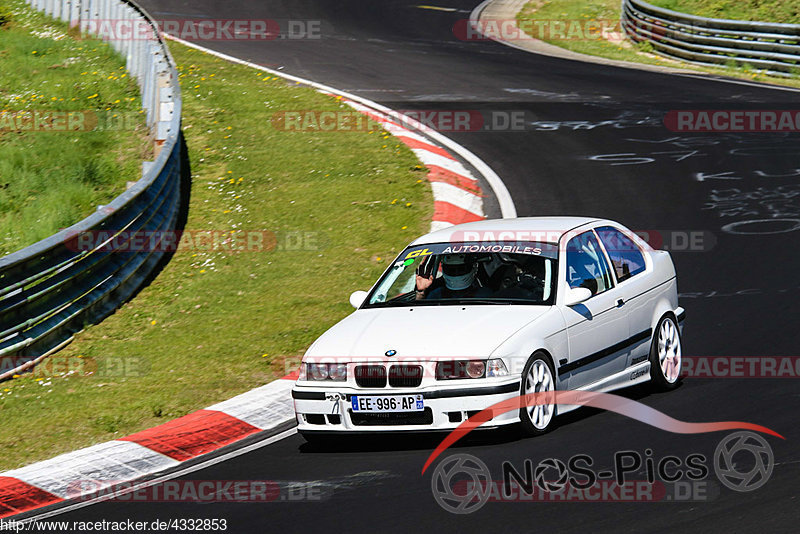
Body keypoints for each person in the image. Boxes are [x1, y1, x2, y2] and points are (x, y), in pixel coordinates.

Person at [415, 254, 489, 300]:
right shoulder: (436, 295)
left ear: (473, 268)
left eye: (461, 269)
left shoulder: (485, 295)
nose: (456, 274)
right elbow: (419, 313)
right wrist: (421, 292)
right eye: (451, 269)